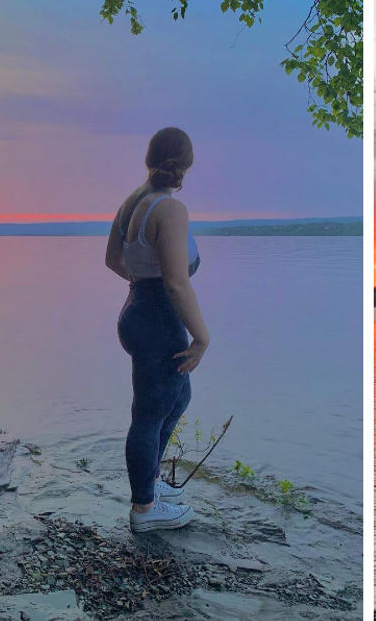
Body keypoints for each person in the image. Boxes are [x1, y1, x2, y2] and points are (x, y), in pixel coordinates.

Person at [105, 127, 210, 532]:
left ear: (149, 157)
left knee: (177, 398)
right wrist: (202, 336)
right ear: (187, 164)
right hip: (158, 319)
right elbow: (177, 282)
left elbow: (114, 260)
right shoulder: (169, 210)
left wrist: (141, 283)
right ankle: (144, 511)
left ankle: (148, 486)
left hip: (138, 311)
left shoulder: (133, 202)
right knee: (150, 413)